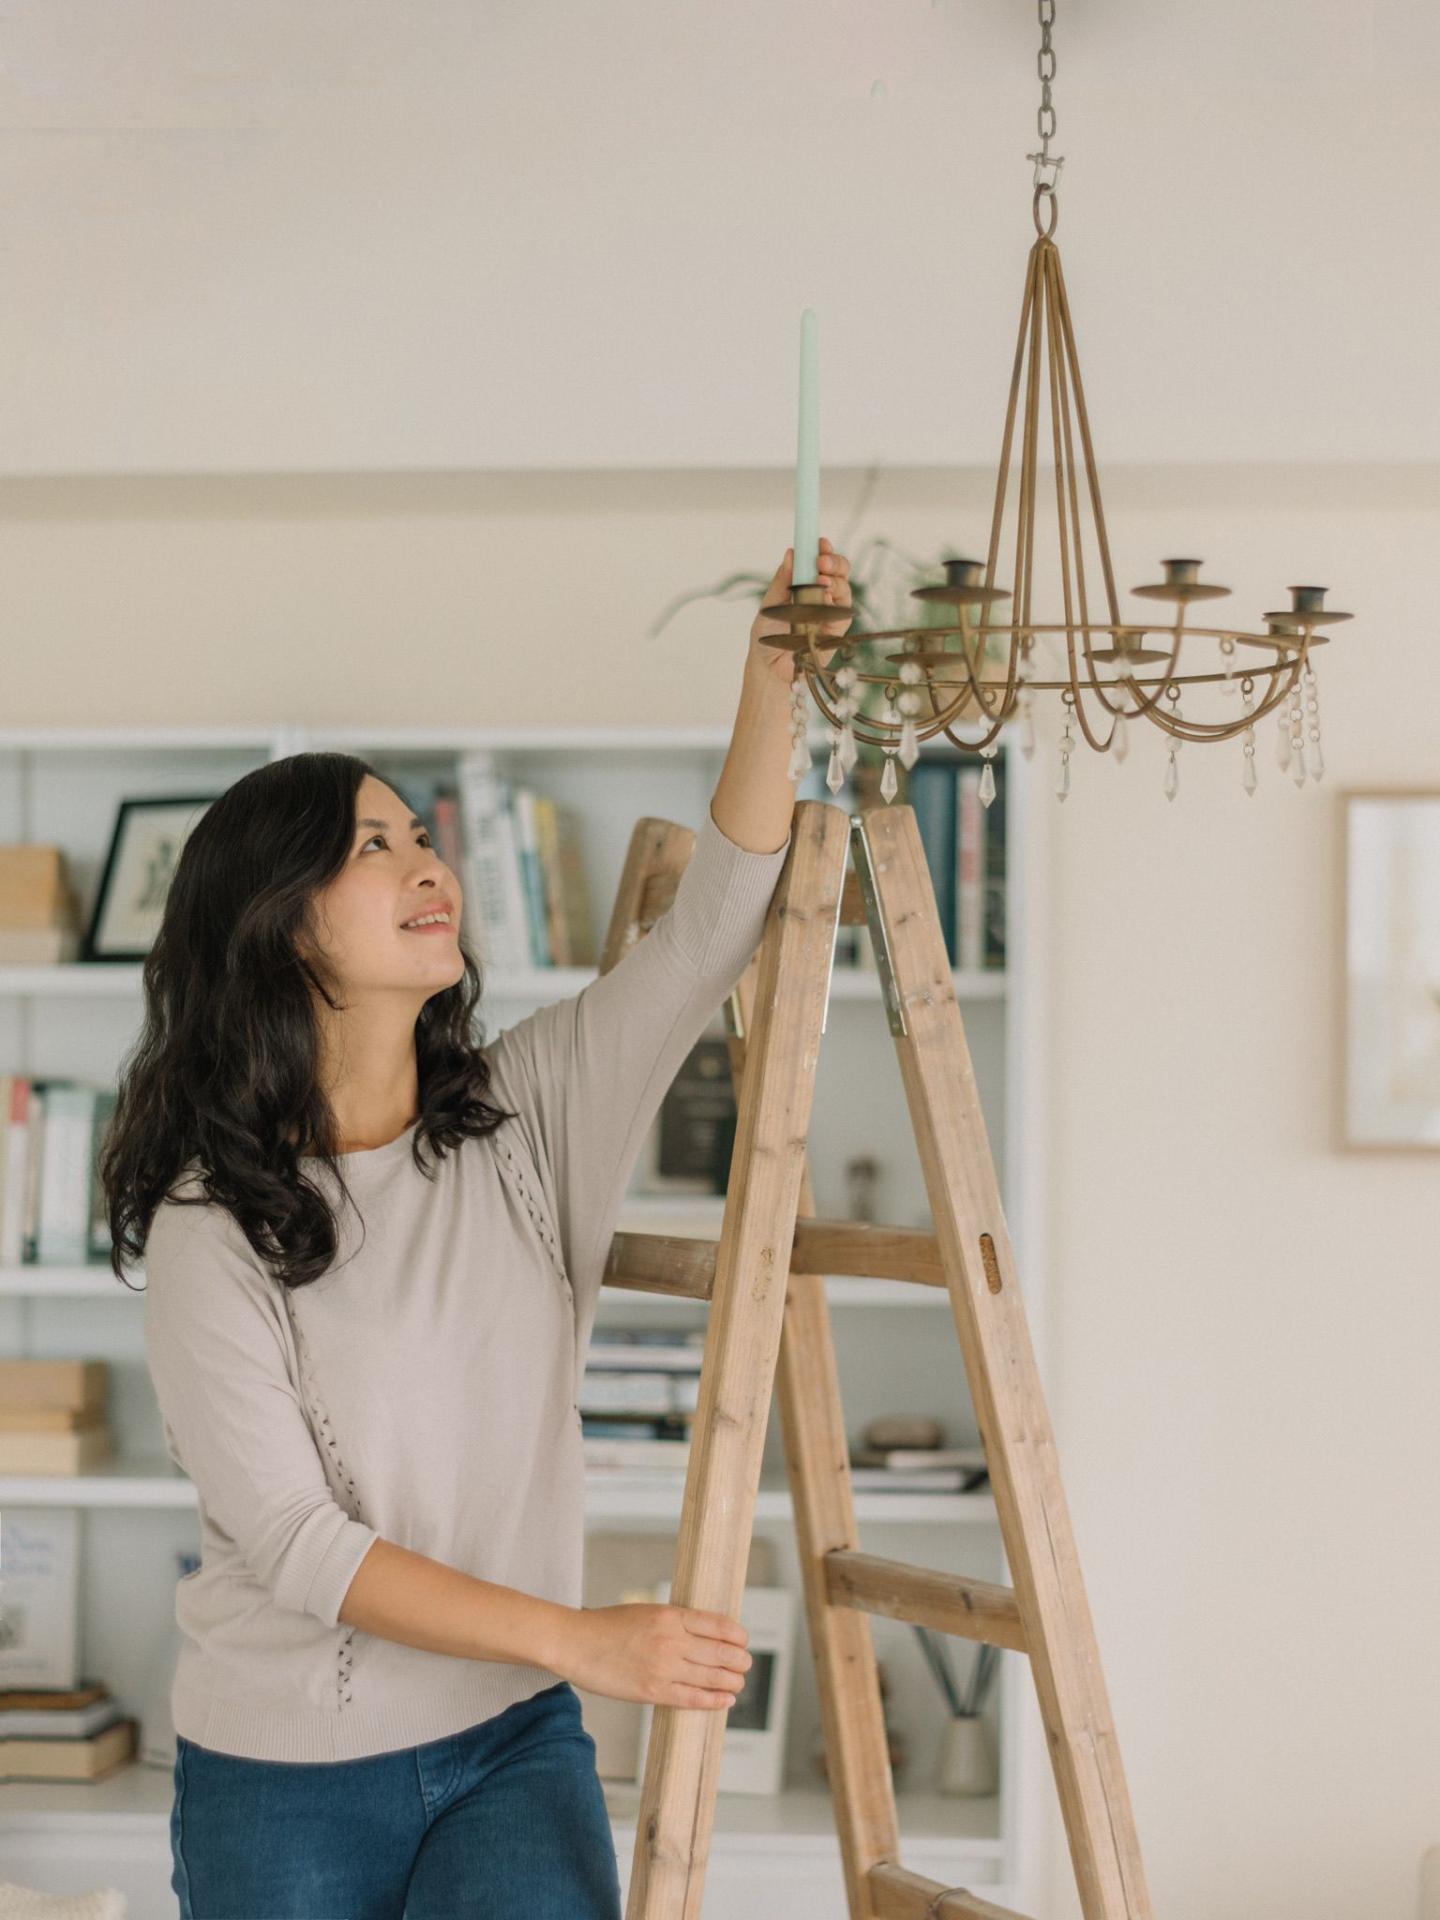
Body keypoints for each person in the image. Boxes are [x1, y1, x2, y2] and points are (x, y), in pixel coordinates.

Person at [102, 542, 853, 1919]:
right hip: (284, 1776)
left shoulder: (529, 1112)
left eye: (421, 834)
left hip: (512, 1743)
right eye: (371, 846)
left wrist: (769, 681)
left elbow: (709, 933)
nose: (424, 862)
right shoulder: (215, 1228)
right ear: (280, 930)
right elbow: (300, 1546)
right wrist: (586, 1641)